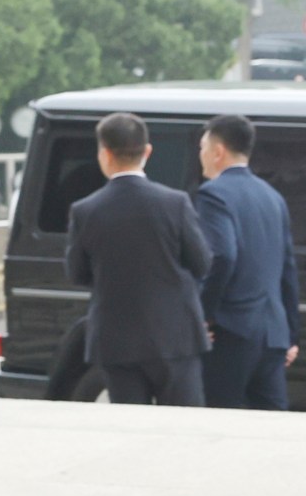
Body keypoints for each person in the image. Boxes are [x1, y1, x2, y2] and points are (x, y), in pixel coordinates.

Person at [64, 112, 212, 406]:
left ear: (104, 153)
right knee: (183, 427)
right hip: (175, 336)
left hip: (115, 339)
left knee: (132, 428)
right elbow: (202, 263)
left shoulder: (85, 210)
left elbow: (77, 274)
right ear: (147, 151)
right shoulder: (175, 203)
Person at [192, 114, 301, 410]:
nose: (201, 156)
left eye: (202, 148)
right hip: (273, 334)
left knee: (223, 427)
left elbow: (222, 256)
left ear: (218, 151)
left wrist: (203, 315)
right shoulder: (273, 197)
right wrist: (290, 334)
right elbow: (287, 270)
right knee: (271, 429)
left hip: (231, 332)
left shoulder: (213, 194)